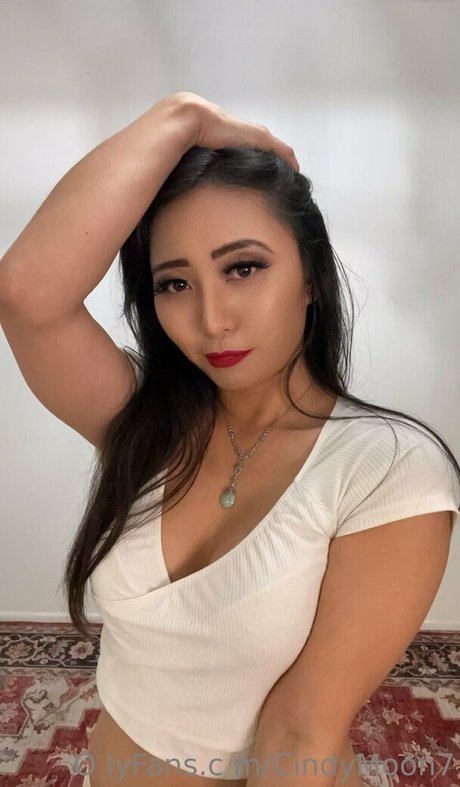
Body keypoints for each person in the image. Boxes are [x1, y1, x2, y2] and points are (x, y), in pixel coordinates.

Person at [0, 92, 458, 787]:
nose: (212, 319)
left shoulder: (388, 468)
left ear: (311, 277)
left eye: (243, 267)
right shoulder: (145, 421)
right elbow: (27, 291)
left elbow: (297, 734)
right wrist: (183, 115)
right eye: (174, 283)